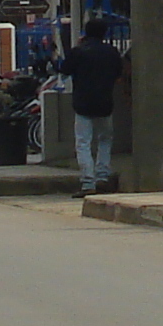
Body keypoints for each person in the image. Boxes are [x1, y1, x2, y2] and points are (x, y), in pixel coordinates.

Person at [61, 16, 127, 196]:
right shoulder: (111, 52)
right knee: (105, 140)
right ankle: (102, 177)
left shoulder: (79, 51)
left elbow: (64, 69)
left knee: (83, 143)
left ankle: (88, 182)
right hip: (105, 103)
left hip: (82, 104)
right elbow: (118, 75)